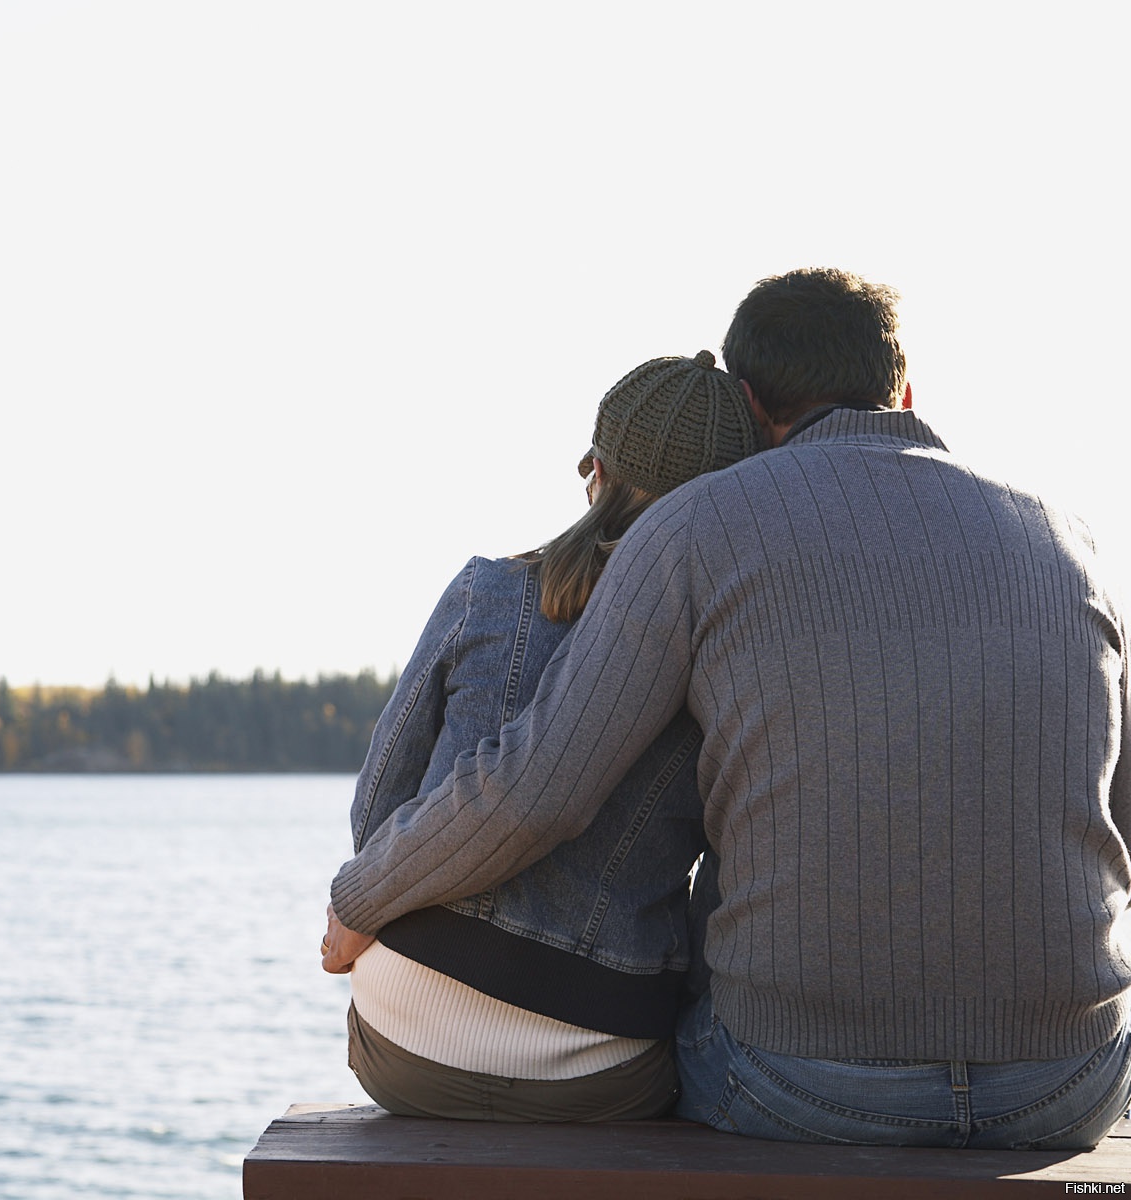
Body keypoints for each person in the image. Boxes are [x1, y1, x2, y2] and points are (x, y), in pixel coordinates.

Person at [322, 268, 1131, 1149]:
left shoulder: (696, 528)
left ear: (747, 403)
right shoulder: (1071, 541)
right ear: (905, 390)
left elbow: (541, 787)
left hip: (796, 1084)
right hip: (1068, 1083)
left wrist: (360, 899)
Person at [331, 351, 756, 1120]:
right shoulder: (731, 652)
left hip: (405, 1041)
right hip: (603, 1061)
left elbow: (376, 818)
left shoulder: (485, 591)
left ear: (592, 466)